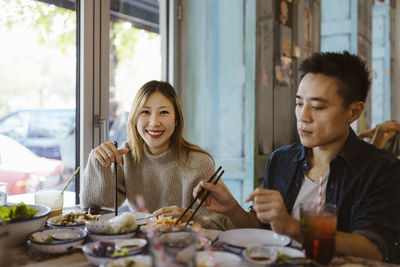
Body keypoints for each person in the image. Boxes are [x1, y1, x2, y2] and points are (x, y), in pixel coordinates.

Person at [194, 51, 400, 262]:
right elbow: (266, 230)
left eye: (318, 107)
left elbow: (373, 248)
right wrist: (231, 209)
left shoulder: (382, 169)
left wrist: (293, 227)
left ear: (354, 112)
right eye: (299, 104)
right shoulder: (281, 160)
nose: (303, 117)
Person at [81, 80, 231, 230]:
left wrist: (190, 218)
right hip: (140, 247)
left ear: (177, 119)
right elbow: (95, 211)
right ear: (134, 118)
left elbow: (221, 224)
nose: (154, 122)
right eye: (145, 112)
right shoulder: (127, 155)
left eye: (164, 112)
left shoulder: (198, 163)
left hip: (184, 246)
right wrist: (98, 162)